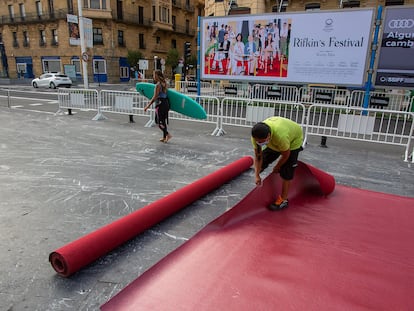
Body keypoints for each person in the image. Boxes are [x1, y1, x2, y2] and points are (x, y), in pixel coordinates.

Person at [251, 116, 303, 210]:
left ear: (269, 136)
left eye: (262, 141)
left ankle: (283, 200)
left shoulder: (281, 136)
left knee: (286, 170)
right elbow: (258, 157)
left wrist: (277, 166)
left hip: (293, 140)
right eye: (258, 142)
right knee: (262, 163)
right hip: (275, 142)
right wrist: (257, 175)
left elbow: (285, 155)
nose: (260, 143)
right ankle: (259, 182)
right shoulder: (255, 137)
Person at [144, 70, 172, 143]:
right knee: (163, 121)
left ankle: (167, 134)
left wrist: (148, 106)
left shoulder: (158, 85)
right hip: (166, 103)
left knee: (158, 122)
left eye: (154, 75)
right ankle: (164, 137)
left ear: (156, 76)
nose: (153, 77)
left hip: (160, 104)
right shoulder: (164, 83)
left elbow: (155, 97)